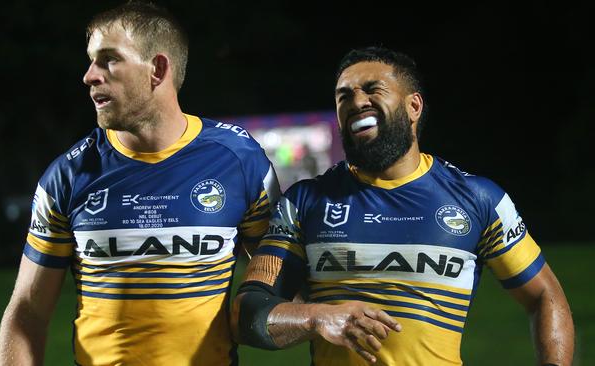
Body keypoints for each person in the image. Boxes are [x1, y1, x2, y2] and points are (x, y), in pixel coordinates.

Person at [231, 46, 574, 365]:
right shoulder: (306, 201)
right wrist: (317, 317)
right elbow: (248, 314)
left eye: (372, 89)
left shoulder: (478, 198)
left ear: (414, 107)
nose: (356, 101)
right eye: (344, 95)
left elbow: (544, 296)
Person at [0, 2, 279, 365]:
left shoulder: (240, 160)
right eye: (91, 60)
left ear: (157, 69)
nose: (89, 75)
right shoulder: (68, 175)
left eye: (108, 60)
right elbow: (27, 313)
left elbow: (278, 283)